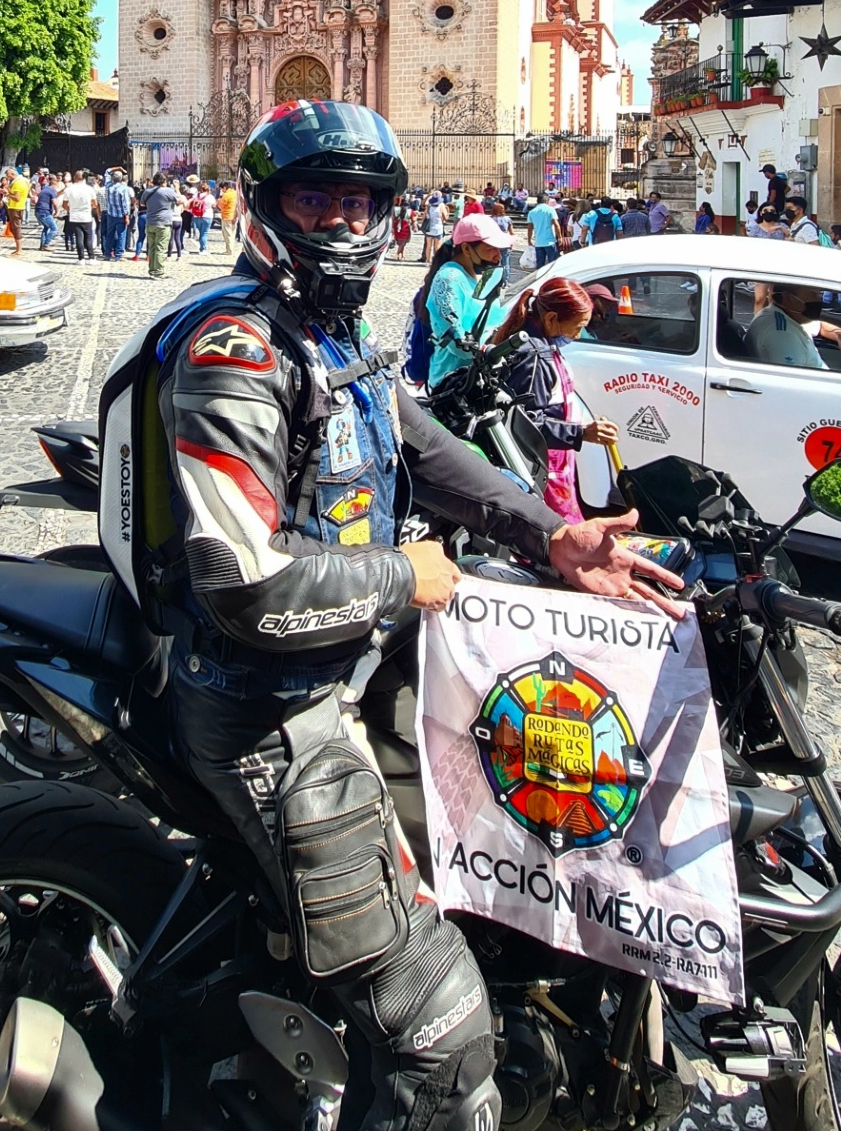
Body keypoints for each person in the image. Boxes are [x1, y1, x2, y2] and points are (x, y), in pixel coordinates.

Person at [141, 100, 680, 1131]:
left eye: (362, 203)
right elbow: (243, 581)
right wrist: (405, 576)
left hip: (349, 668)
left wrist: (550, 533)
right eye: (317, 199)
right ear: (266, 209)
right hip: (266, 708)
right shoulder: (238, 351)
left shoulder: (332, 338)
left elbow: (431, 455)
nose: (345, 225)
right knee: (438, 1035)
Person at [488, 277, 620, 524]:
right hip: (544, 468)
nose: (578, 335)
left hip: (556, 464)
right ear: (551, 319)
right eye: (577, 327)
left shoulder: (542, 344)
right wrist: (581, 433)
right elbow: (526, 424)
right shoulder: (534, 357)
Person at [424, 215, 507, 392]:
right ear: (467, 249)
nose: (498, 256)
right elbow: (459, 346)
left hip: (481, 381)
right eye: (491, 248)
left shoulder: (481, 276)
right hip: (453, 385)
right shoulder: (449, 279)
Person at [746, 282, 838, 369]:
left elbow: (820, 326)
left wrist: (838, 334)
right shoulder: (782, 336)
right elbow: (792, 381)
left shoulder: (791, 316)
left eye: (819, 295)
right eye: (812, 295)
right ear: (788, 298)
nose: (818, 300)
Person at [62, 169, 98, 261]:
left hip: (74, 216)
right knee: (88, 237)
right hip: (86, 216)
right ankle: (91, 257)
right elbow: (95, 204)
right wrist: (90, 206)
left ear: (74, 178)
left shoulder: (69, 189)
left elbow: (64, 204)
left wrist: (70, 209)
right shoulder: (89, 189)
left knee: (79, 237)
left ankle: (81, 258)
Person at [145, 172, 174, 277]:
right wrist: (178, 188)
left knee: (152, 247)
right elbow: (179, 200)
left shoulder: (147, 191)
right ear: (164, 181)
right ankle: (158, 271)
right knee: (161, 247)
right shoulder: (168, 191)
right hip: (163, 223)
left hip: (150, 222)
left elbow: (142, 203)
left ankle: (152, 269)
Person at [101, 170, 132, 261]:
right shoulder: (123, 189)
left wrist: (116, 169)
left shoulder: (108, 186)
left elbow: (106, 173)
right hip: (120, 215)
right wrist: (126, 216)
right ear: (121, 179)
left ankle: (107, 254)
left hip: (110, 213)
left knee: (109, 234)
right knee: (121, 234)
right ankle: (118, 255)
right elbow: (125, 204)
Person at [526, 191, 560, 267]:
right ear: (546, 201)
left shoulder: (532, 212)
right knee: (552, 265)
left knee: (540, 266)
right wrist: (560, 237)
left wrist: (529, 240)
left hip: (538, 242)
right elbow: (556, 224)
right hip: (550, 241)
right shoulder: (550, 210)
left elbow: (529, 228)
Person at [6, 165, 30, 257]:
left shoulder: (18, 183)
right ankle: (18, 248)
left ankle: (19, 249)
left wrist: (8, 194)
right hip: (15, 207)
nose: (7, 177)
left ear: (12, 174)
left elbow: (17, 198)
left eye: (8, 175)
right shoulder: (18, 182)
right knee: (14, 228)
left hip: (16, 207)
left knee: (16, 228)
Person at [421, 189, 447, 265]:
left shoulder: (428, 206)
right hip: (438, 228)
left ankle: (427, 261)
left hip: (429, 228)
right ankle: (436, 261)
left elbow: (424, 216)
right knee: (437, 246)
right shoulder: (441, 206)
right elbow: (445, 217)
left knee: (428, 245)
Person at [190, 180, 216, 254]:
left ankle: (202, 247)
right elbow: (214, 205)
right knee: (204, 233)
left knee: (201, 232)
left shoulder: (195, 195)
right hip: (207, 216)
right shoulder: (210, 196)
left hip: (196, 216)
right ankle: (203, 249)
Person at [35, 174, 59, 250]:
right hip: (45, 212)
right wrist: (57, 212)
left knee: (46, 227)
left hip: (38, 211)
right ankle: (46, 245)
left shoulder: (45, 190)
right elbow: (55, 202)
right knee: (54, 228)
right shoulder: (52, 191)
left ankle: (42, 245)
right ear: (54, 185)